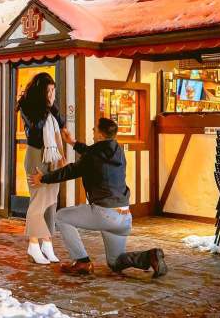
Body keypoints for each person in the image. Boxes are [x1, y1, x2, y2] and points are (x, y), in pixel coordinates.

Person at [29, 117, 167, 277]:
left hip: (105, 213)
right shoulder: (117, 150)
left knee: (61, 216)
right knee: (115, 262)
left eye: (95, 129)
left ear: (101, 135)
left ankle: (81, 261)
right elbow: (93, 154)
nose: (92, 131)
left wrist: (43, 178)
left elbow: (71, 170)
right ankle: (150, 256)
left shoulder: (93, 156)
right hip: (124, 216)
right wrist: (73, 143)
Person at [17, 72, 68, 265]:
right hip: (36, 155)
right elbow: (36, 127)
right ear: (41, 91)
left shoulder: (50, 107)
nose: (53, 94)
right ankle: (33, 244)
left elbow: (61, 124)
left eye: (54, 90)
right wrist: (47, 107)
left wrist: (52, 105)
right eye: (49, 90)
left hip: (52, 157)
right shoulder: (26, 105)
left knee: (51, 201)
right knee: (38, 201)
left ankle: (47, 242)